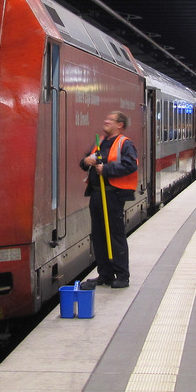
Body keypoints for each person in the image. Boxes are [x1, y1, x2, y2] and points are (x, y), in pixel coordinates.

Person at [79, 111, 138, 289]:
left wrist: (106, 169)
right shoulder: (100, 142)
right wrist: (86, 161)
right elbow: (84, 162)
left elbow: (130, 165)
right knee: (98, 235)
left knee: (115, 235)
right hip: (97, 194)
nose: (106, 121)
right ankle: (104, 274)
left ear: (119, 124)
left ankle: (122, 275)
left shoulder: (124, 144)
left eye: (110, 120)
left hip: (113, 195)